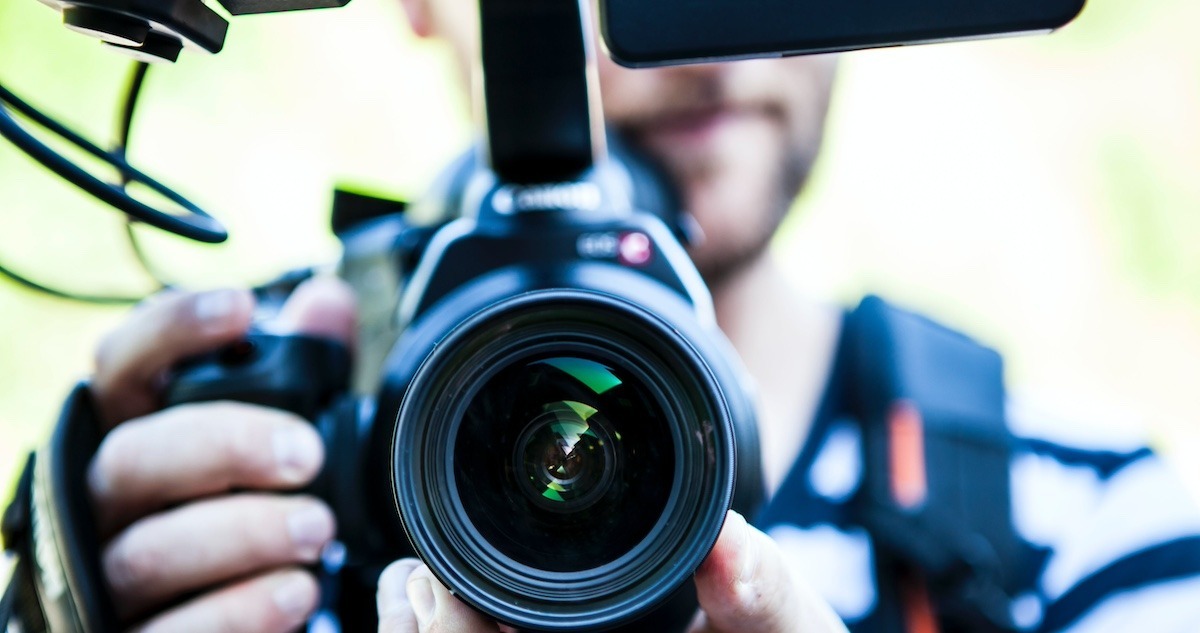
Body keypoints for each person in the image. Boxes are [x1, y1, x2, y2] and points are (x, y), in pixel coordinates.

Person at [15, 0, 1200, 630]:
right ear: (422, 3)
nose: (712, 51)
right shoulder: (261, 502)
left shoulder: (1086, 525)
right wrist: (64, 588)